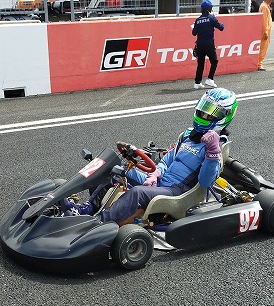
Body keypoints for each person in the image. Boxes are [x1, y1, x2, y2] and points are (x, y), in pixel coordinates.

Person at [63, 88, 239, 225]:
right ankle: (86, 209)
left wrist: (212, 151)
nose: (204, 115)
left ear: (224, 116)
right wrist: (156, 173)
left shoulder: (218, 145)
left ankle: (97, 223)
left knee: (137, 193)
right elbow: (168, 159)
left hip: (179, 191)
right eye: (203, 110)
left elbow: (206, 182)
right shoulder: (188, 135)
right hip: (162, 181)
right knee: (114, 170)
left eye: (211, 113)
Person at [191, 0, 225, 90]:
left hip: (200, 45)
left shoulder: (198, 20)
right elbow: (221, 28)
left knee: (200, 64)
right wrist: (221, 23)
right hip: (209, 44)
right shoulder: (211, 18)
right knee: (214, 61)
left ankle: (197, 82)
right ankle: (210, 79)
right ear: (209, 9)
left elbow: (194, 33)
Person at [258, 0, 274, 72]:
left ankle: (259, 63)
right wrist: (265, 31)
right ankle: (259, 64)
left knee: (263, 47)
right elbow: (264, 20)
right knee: (263, 48)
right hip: (265, 31)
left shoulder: (265, 6)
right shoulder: (264, 7)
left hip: (266, 30)